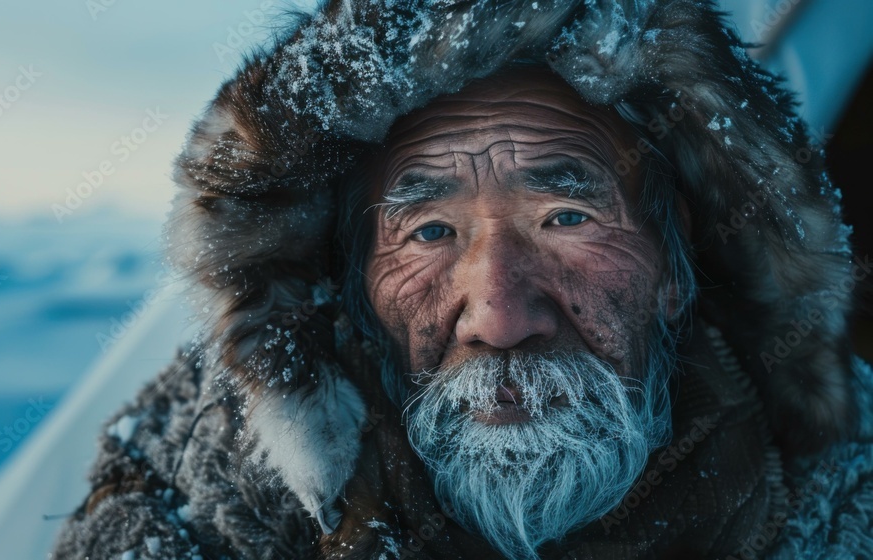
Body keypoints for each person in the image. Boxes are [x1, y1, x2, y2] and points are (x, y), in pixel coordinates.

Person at [53, 0, 873, 558]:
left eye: (566, 218)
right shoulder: (185, 502)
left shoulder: (843, 499)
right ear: (352, 284)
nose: (500, 317)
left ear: (674, 263)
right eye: (430, 231)